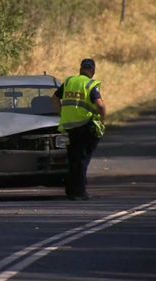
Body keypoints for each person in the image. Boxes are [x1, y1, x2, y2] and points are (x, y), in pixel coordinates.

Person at [52, 58, 107, 200]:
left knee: (73, 159)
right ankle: (80, 192)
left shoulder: (69, 82)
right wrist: (102, 122)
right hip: (85, 126)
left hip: (70, 127)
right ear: (93, 70)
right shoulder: (90, 84)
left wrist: (62, 113)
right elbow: (100, 105)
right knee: (82, 160)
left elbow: (54, 99)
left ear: (80, 69)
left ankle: (70, 191)